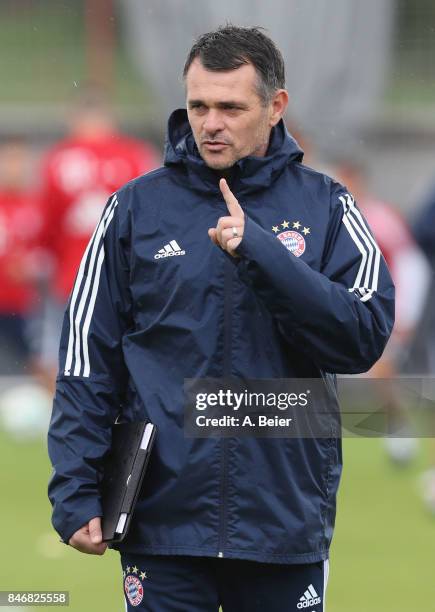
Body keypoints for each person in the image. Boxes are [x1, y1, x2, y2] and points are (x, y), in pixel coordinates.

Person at [47, 26, 394, 611]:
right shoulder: (135, 208)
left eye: (231, 107)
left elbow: (361, 336)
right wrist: (76, 486)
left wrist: (262, 254)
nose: (210, 123)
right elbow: (88, 359)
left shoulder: (326, 205)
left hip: (282, 521)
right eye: (199, 105)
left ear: (275, 107)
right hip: (164, 520)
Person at [35, 84, 160, 391]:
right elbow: (155, 215)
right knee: (125, 350)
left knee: (66, 355)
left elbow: (45, 224)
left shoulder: (58, 158)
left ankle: (65, 417)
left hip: (74, 274)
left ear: (76, 118)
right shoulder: (135, 156)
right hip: (128, 274)